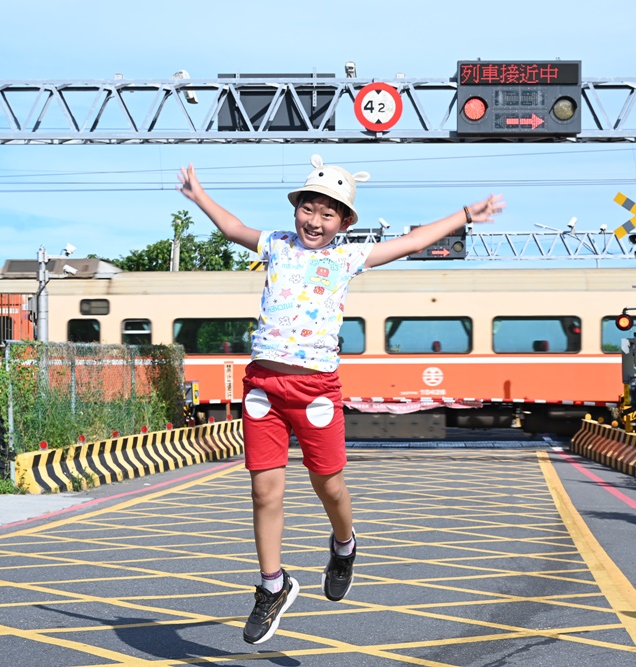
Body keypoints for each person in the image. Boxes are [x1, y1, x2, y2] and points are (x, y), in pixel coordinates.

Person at [177, 154, 505, 644]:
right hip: (263, 385)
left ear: (345, 222)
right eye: (308, 209)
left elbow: (410, 242)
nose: (314, 221)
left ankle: (345, 544)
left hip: (316, 389)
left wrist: (464, 215)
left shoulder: (348, 256)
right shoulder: (276, 245)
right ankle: (273, 586)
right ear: (296, 211)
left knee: (328, 485)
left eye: (328, 214)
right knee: (264, 492)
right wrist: (199, 196)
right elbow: (233, 228)